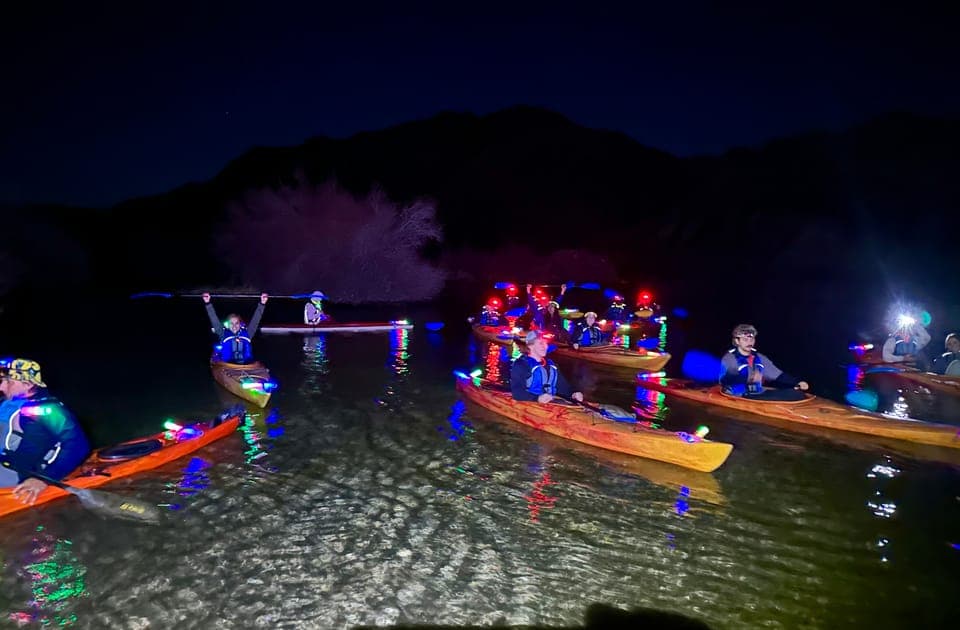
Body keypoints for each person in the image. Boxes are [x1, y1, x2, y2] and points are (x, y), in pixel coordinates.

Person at [0, 358, 91, 505]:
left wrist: (42, 479)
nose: (2, 388)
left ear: (27, 384)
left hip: (19, 477)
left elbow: (78, 445)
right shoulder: (10, 406)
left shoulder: (48, 410)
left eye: (8, 382)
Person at [719, 324, 809, 401]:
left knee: (795, 393)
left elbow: (777, 375)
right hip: (738, 395)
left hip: (756, 392)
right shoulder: (729, 358)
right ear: (737, 341)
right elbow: (724, 380)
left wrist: (797, 383)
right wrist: (749, 379)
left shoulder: (759, 357)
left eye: (751, 339)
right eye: (745, 340)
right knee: (792, 395)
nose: (749, 343)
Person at [511, 330, 584, 403]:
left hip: (550, 404)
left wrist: (573, 393)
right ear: (530, 346)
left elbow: (562, 386)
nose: (545, 346)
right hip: (531, 403)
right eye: (540, 343)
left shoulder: (552, 365)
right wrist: (537, 398)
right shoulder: (520, 364)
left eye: (546, 343)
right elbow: (517, 391)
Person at [204, 292, 268, 364]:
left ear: (240, 324)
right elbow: (214, 319)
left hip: (247, 365)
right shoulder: (222, 334)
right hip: (227, 365)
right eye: (231, 323)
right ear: (228, 325)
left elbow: (255, 320)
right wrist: (208, 303)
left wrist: (262, 303)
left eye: (237, 323)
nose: (234, 326)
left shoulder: (248, 333)